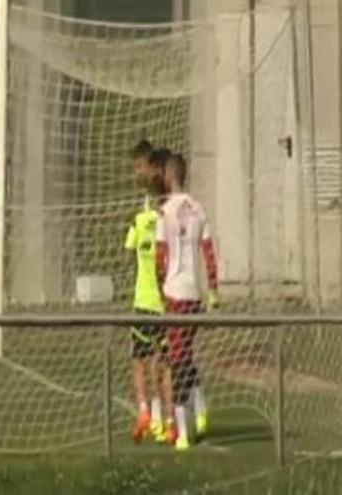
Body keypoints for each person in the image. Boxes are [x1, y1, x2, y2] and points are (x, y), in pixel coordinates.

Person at [156, 153, 219, 451]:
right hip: (194, 294)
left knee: (177, 361)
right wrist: (213, 291)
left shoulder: (165, 212)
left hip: (174, 293)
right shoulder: (198, 208)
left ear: (168, 176)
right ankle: (201, 404)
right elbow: (208, 252)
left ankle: (182, 432)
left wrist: (160, 292)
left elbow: (159, 259)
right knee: (184, 354)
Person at [126, 142, 175, 445]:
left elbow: (130, 252)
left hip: (142, 302)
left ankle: (144, 410)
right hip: (166, 303)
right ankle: (168, 420)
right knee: (166, 363)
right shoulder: (168, 222)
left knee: (138, 359)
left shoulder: (140, 220)